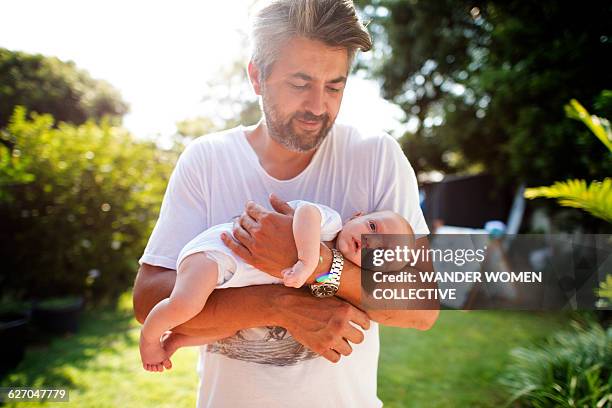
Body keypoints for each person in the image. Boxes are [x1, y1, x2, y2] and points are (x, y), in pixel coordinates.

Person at [133, 0, 439, 406]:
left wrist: (315, 264)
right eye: (300, 84)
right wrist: (276, 304)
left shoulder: (376, 156)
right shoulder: (206, 160)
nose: (318, 107)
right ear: (257, 76)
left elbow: (421, 306)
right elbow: (148, 299)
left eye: (335, 86)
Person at [139, 201, 414, 372]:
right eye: (373, 226)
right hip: (216, 254)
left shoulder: (341, 268)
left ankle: (175, 340)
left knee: (228, 329)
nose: (369, 241)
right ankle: (149, 339)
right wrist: (309, 261)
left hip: (233, 280)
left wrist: (320, 273)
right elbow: (306, 213)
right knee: (186, 304)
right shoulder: (330, 224)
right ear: (357, 215)